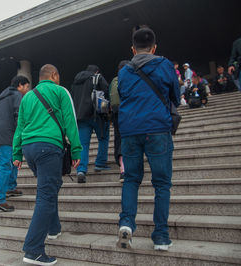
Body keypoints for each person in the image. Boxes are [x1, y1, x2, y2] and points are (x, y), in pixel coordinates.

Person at [117, 27, 179, 252]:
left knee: (131, 179)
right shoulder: (164, 65)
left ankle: (126, 223)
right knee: (162, 183)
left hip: (130, 131)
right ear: (154, 47)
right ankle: (161, 236)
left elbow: (122, 96)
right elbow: (175, 97)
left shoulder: (124, 71)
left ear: (133, 49)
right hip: (157, 129)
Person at [13, 64, 81, 266]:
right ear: (54, 75)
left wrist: (16, 153)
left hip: (29, 149)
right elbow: (70, 120)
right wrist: (76, 149)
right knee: (46, 194)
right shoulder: (60, 91)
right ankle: (33, 250)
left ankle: (54, 228)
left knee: (49, 188)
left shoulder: (28, 97)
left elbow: (20, 126)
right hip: (49, 146)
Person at [0, 75, 30, 212]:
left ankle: (10, 188)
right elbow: (19, 117)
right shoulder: (17, 95)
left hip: (0, 132)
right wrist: (24, 135)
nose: (27, 90)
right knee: (6, 165)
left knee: (11, 162)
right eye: (27, 86)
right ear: (20, 85)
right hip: (8, 134)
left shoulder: (3, 95)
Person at [70, 64, 110, 183]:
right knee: (103, 138)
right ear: (97, 71)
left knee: (83, 144)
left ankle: (81, 170)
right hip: (96, 115)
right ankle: (100, 163)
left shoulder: (76, 82)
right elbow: (106, 92)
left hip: (80, 116)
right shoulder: (97, 78)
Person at [109, 60, 129, 182]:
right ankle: (126, 168)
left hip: (116, 113)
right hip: (128, 112)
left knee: (119, 138)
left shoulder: (114, 81)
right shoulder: (131, 78)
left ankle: (122, 166)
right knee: (128, 138)